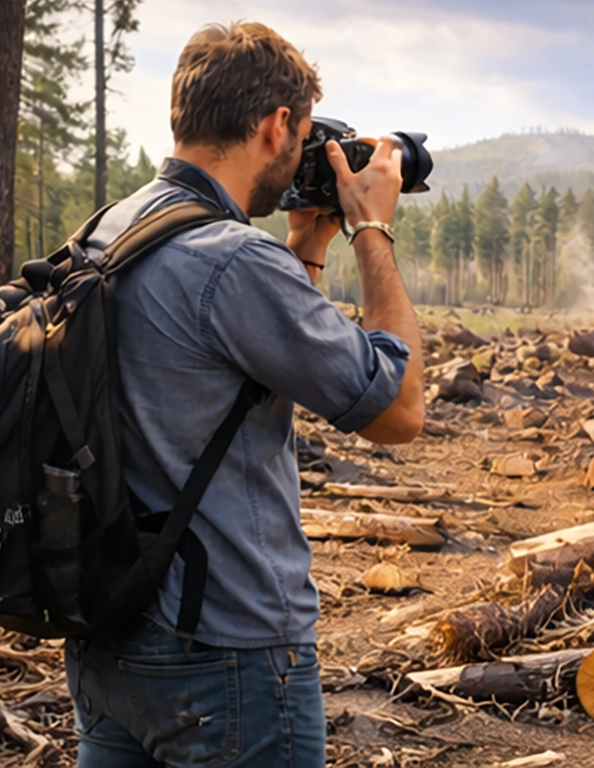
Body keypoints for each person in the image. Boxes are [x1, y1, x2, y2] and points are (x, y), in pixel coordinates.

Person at [63, 20, 425, 768]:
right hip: (226, 648)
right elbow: (399, 412)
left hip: (108, 633)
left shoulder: (106, 233)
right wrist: (371, 228)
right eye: (298, 139)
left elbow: (232, 362)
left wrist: (307, 249)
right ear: (277, 125)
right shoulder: (232, 262)